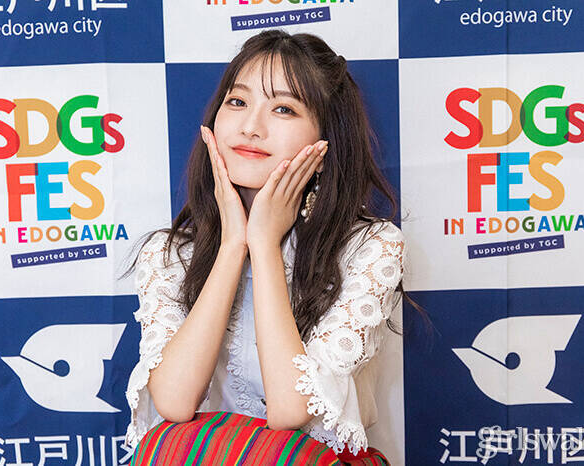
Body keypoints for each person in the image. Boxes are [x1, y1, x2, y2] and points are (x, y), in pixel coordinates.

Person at [121, 28, 431, 465]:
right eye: (237, 102)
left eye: (283, 108)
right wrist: (234, 244)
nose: (251, 126)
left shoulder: (370, 247)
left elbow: (289, 411)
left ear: (325, 141)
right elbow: (173, 402)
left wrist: (264, 245)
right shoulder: (170, 254)